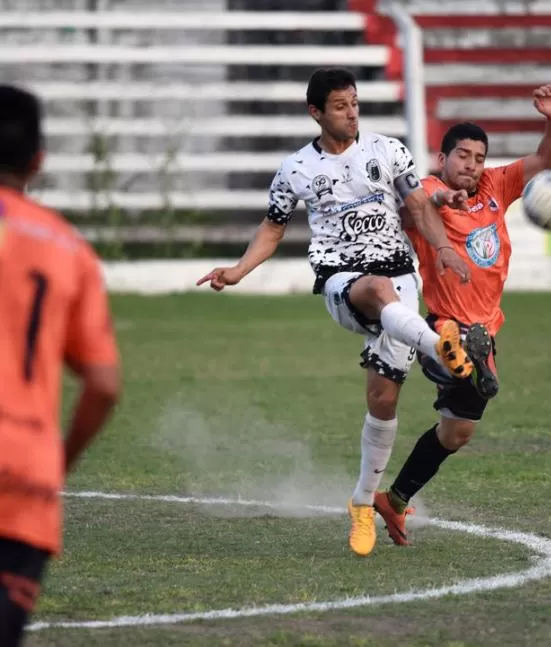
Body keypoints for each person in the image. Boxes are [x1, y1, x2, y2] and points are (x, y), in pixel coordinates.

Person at [197, 67, 494, 558]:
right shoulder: (296, 169)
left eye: (355, 103)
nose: (352, 112)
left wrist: (441, 247)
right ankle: (442, 348)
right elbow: (272, 228)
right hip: (343, 281)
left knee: (383, 401)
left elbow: (419, 206)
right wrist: (239, 270)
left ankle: (361, 503)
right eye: (340, 106)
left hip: (402, 278)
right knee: (376, 291)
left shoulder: (388, 150)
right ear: (316, 112)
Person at [372, 86, 551, 545]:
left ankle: (393, 500)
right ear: (442, 159)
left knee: (458, 432)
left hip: (486, 328)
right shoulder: (430, 192)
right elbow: (412, 210)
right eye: (462, 155)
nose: (472, 165)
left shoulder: (497, 184)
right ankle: (451, 354)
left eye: (479, 157)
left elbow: (549, 159)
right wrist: (440, 203)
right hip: (442, 322)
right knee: (454, 351)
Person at [0, 84, 122, 645]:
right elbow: (102, 382)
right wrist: (58, 462)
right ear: (38, 161)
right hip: (23, 474)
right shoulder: (68, 249)